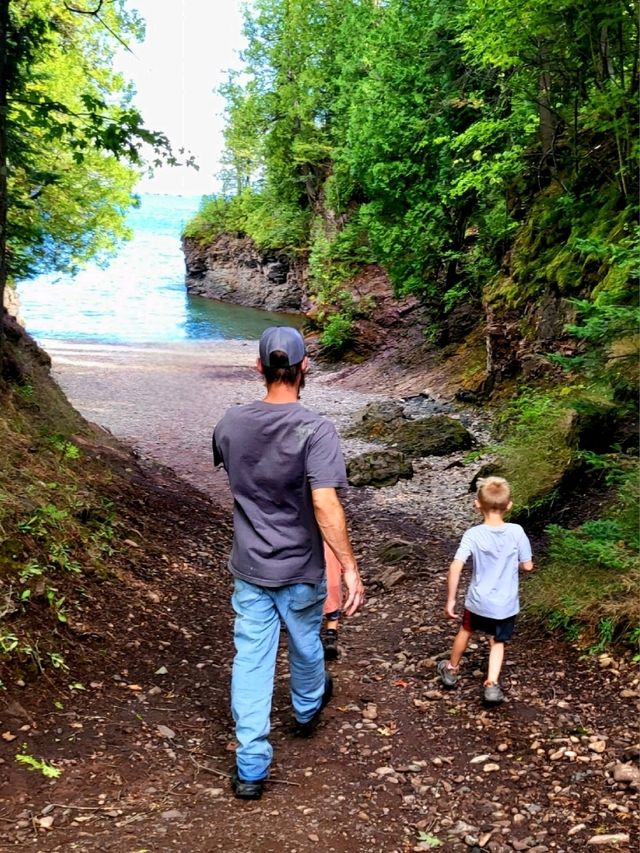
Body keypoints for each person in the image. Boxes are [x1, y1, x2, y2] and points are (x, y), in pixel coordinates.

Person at [212, 326, 364, 800]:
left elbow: (234, 472)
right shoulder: (315, 429)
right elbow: (324, 503)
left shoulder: (230, 422)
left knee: (251, 659)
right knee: (304, 642)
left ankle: (251, 765)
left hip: (251, 564)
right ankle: (305, 710)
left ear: (259, 367)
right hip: (300, 565)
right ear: (304, 367)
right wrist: (349, 565)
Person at [437, 476, 533, 704]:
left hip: (478, 601)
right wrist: (517, 564)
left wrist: (450, 599)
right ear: (509, 505)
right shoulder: (517, 531)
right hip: (505, 604)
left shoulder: (473, 534)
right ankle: (491, 683)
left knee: (466, 630)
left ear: (477, 504)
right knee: (497, 641)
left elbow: (456, 566)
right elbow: (528, 565)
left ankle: (451, 669)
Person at [322, 543, 343, 660]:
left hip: (315, 586)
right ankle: (331, 637)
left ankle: (315, 642)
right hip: (332, 586)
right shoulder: (333, 545)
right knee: (333, 615)